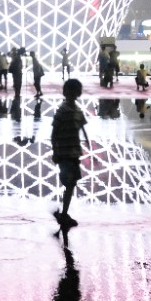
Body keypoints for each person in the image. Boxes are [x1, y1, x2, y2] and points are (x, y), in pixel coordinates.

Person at [50, 79, 89, 228]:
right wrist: (55, 151)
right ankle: (63, 214)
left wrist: (87, 144)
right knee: (70, 182)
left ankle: (63, 213)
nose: (72, 94)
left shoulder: (77, 111)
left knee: (71, 183)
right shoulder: (62, 111)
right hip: (65, 153)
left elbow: (82, 128)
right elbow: (54, 133)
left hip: (73, 153)